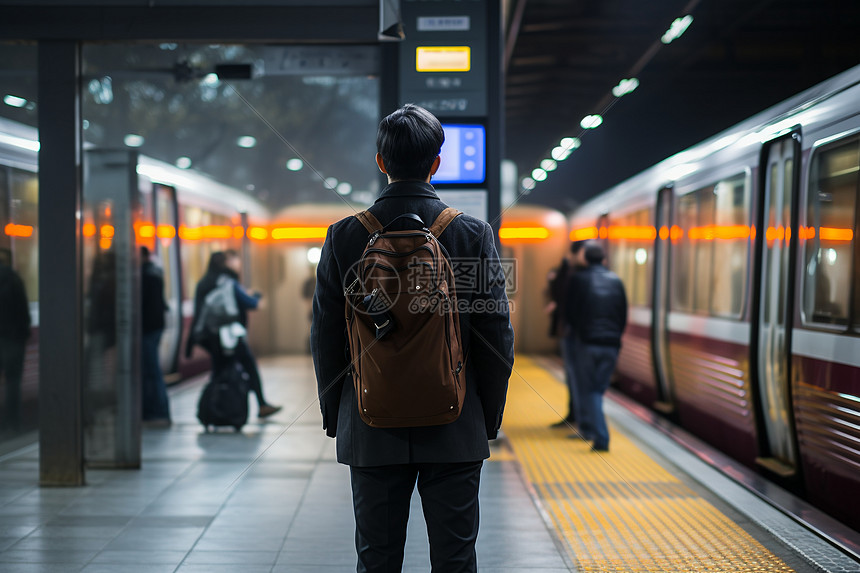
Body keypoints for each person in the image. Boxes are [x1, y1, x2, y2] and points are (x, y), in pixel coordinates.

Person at [311, 104, 514, 572]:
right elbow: (495, 336)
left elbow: (325, 334)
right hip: (455, 423)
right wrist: (487, 416)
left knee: (377, 560)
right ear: (435, 164)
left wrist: (334, 412)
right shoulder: (469, 234)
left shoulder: (344, 237)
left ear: (380, 161)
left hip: (369, 423)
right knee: (455, 559)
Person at [187, 250, 281, 418]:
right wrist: (256, 295)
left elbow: (198, 312)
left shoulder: (203, 282)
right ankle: (262, 405)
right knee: (250, 367)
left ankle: (212, 409)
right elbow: (250, 303)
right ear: (224, 264)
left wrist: (191, 340)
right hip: (230, 336)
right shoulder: (228, 282)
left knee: (218, 371)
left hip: (210, 337)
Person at [564, 242, 627, 452]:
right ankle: (592, 430)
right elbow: (622, 314)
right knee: (598, 389)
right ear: (604, 259)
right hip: (611, 345)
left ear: (585, 259)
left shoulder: (579, 280)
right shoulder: (616, 281)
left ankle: (600, 436)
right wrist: (615, 337)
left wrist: (578, 332)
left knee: (589, 390)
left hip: (587, 343)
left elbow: (570, 312)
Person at [546, 240, 587, 428]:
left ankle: (581, 418)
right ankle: (575, 414)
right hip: (571, 332)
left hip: (577, 334)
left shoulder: (580, 274)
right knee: (573, 377)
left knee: (578, 377)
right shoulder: (570, 272)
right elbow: (558, 294)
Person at [140, 246, 171, 426]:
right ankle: (157, 411)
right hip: (155, 327)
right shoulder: (155, 272)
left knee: (151, 371)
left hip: (148, 329)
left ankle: (158, 412)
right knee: (152, 371)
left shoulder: (145, 275)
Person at [0, 248, 30, 431]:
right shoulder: (14, 279)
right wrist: (23, 334)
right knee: (13, 381)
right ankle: (13, 422)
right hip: (13, 339)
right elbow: (23, 311)